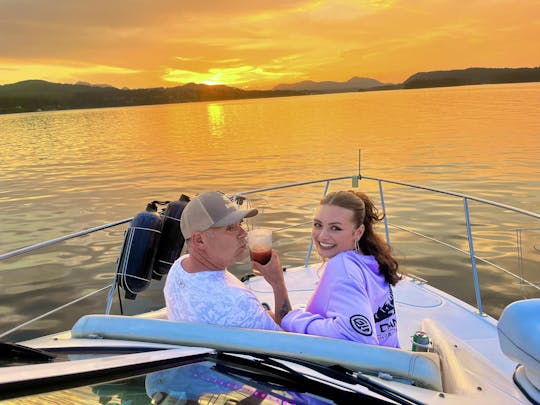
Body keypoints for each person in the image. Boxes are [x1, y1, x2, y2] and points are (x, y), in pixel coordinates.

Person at [255, 190, 401, 347]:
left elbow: (358, 336)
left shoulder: (342, 265)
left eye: (335, 228)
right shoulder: (372, 260)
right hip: (390, 360)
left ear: (358, 232)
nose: (322, 236)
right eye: (318, 225)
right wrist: (300, 313)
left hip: (362, 368)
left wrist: (290, 315)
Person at [164, 191, 283, 331]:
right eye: (230, 228)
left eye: (241, 224)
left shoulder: (179, 267)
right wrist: (278, 284)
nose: (244, 234)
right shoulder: (236, 302)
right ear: (199, 240)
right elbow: (289, 341)